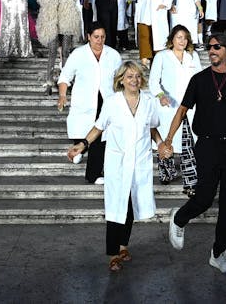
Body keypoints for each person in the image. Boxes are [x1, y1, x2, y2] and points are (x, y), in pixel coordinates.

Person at [162, 33, 226, 276]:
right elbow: (182, 110)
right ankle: (179, 218)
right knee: (203, 199)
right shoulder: (199, 80)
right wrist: (169, 139)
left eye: (217, 47)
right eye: (209, 47)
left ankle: (219, 253)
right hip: (206, 146)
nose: (211, 50)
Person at [66, 61, 164, 272]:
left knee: (129, 206)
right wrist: (82, 146)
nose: (134, 80)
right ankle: (112, 254)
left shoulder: (148, 101)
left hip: (139, 161)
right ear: (121, 80)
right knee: (116, 207)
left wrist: (162, 143)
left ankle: (123, 246)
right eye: (129, 76)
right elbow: (98, 127)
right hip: (117, 162)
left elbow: (152, 128)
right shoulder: (112, 102)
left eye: (137, 76)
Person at [57, 23, 123, 184]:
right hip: (84, 100)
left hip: (106, 101)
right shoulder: (78, 54)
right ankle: (79, 148)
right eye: (96, 37)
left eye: (102, 37)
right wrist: (62, 95)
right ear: (88, 37)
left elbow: (120, 79)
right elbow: (65, 77)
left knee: (100, 138)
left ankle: (93, 174)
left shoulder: (113, 55)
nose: (99, 40)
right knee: (83, 131)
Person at [148, 25, 202, 195]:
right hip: (169, 105)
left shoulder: (193, 56)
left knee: (189, 143)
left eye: (185, 38)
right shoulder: (162, 56)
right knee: (167, 140)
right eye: (179, 37)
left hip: (189, 106)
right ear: (172, 39)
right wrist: (160, 95)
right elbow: (153, 81)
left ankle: (190, 180)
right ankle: (166, 172)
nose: (182, 41)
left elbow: (200, 79)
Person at [37, 0, 83, 92]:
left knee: (66, 52)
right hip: (51, 21)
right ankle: (49, 82)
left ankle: (66, 81)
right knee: (52, 51)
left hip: (67, 20)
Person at [127, 0, 172, 67]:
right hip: (143, 16)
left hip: (157, 15)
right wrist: (128, 1)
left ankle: (157, 64)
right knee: (144, 39)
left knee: (157, 41)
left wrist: (164, 4)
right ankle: (146, 62)